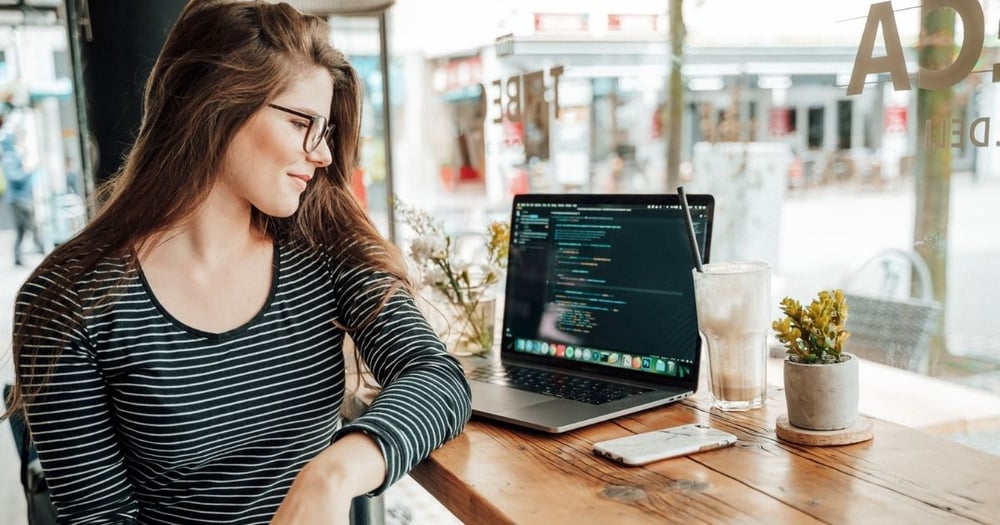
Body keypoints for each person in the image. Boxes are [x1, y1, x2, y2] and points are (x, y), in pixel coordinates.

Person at [3, 1, 472, 523]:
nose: (323, 155)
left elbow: (438, 377)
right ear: (214, 105)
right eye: (301, 123)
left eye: (326, 130)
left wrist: (330, 475)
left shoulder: (324, 248)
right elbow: (99, 519)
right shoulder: (68, 299)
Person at [1, 124, 45, 266]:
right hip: (18, 198)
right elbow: (14, 176)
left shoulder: (13, 155)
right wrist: (28, 172)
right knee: (29, 225)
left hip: (20, 197)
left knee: (24, 227)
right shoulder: (10, 157)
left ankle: (23, 254)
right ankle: (39, 249)